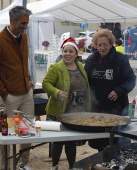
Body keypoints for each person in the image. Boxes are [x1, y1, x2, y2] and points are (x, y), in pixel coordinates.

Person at [42, 37, 91, 170]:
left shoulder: (80, 66)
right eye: (65, 51)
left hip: (76, 111)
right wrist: (56, 92)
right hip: (59, 110)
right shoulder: (56, 68)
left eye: (70, 51)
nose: (67, 54)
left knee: (71, 141)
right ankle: (55, 166)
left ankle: (71, 166)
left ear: (76, 54)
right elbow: (46, 83)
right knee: (58, 140)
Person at [84, 29, 136, 151]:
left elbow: (131, 79)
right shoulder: (91, 60)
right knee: (100, 143)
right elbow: (85, 80)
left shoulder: (121, 59)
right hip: (98, 107)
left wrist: (120, 90)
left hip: (117, 108)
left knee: (119, 142)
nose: (102, 48)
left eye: (105, 45)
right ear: (95, 45)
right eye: (99, 45)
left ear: (111, 44)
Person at [0, 6, 34, 170]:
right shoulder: (0, 39)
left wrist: (28, 79)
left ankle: (24, 164)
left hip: (26, 92)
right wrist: (3, 92)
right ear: (12, 20)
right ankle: (5, 165)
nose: (25, 26)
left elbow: (24, 61)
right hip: (9, 95)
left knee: (26, 130)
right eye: (22, 23)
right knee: (7, 133)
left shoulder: (24, 37)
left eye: (27, 23)